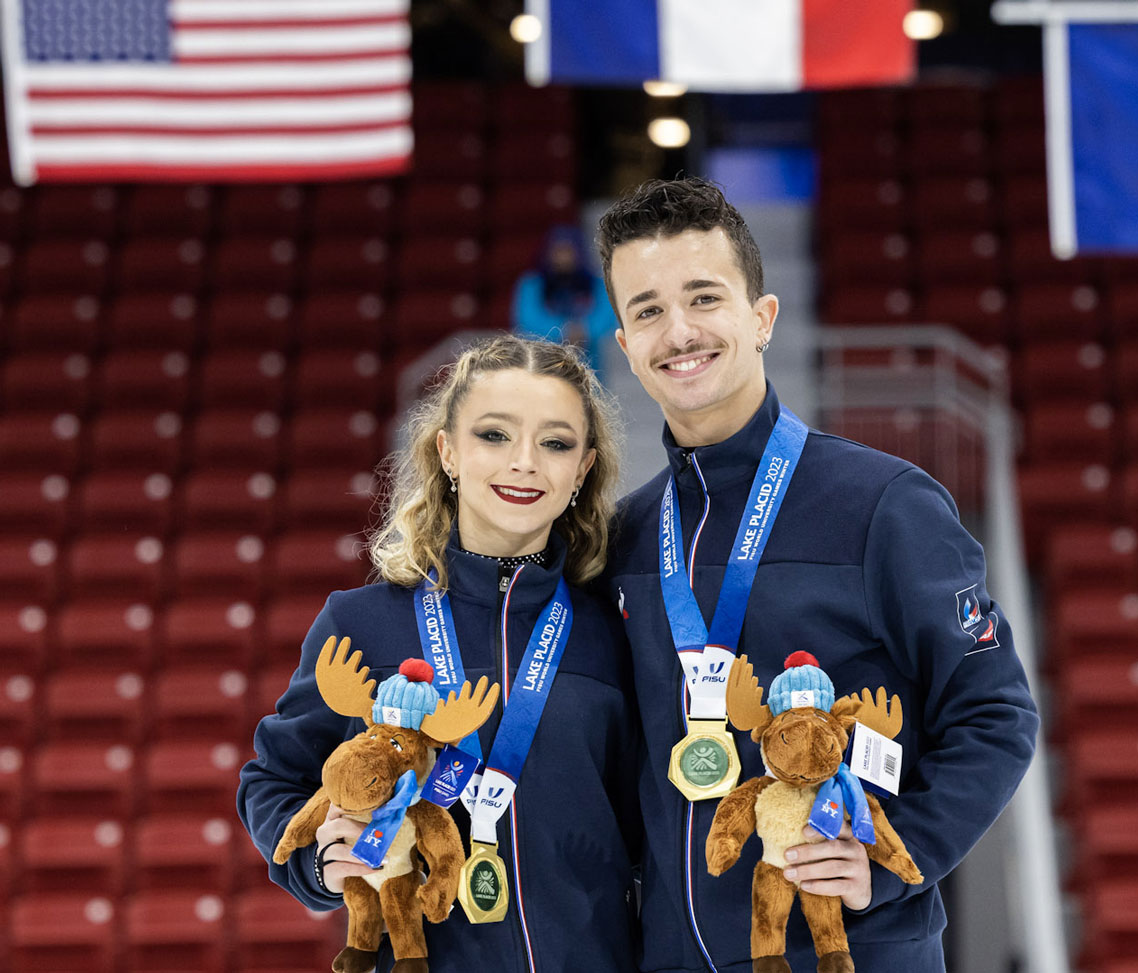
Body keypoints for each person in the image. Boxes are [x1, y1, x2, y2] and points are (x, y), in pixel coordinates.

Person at [596, 177, 1039, 973]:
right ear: (626, 347)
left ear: (762, 319)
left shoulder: (884, 503)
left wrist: (894, 863)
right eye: (648, 310)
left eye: (704, 297)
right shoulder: (625, 537)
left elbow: (996, 715)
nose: (679, 331)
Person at [238, 335, 639, 973]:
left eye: (556, 443)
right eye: (494, 435)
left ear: (583, 470)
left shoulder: (611, 628)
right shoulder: (359, 622)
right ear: (447, 452)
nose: (525, 463)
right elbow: (275, 779)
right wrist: (322, 860)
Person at [512, 224, 618, 377]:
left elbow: (607, 317)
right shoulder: (532, 284)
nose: (563, 257)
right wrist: (564, 331)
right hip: (545, 366)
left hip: (589, 366)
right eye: (558, 251)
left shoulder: (595, 283)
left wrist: (584, 330)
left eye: (568, 251)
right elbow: (526, 319)